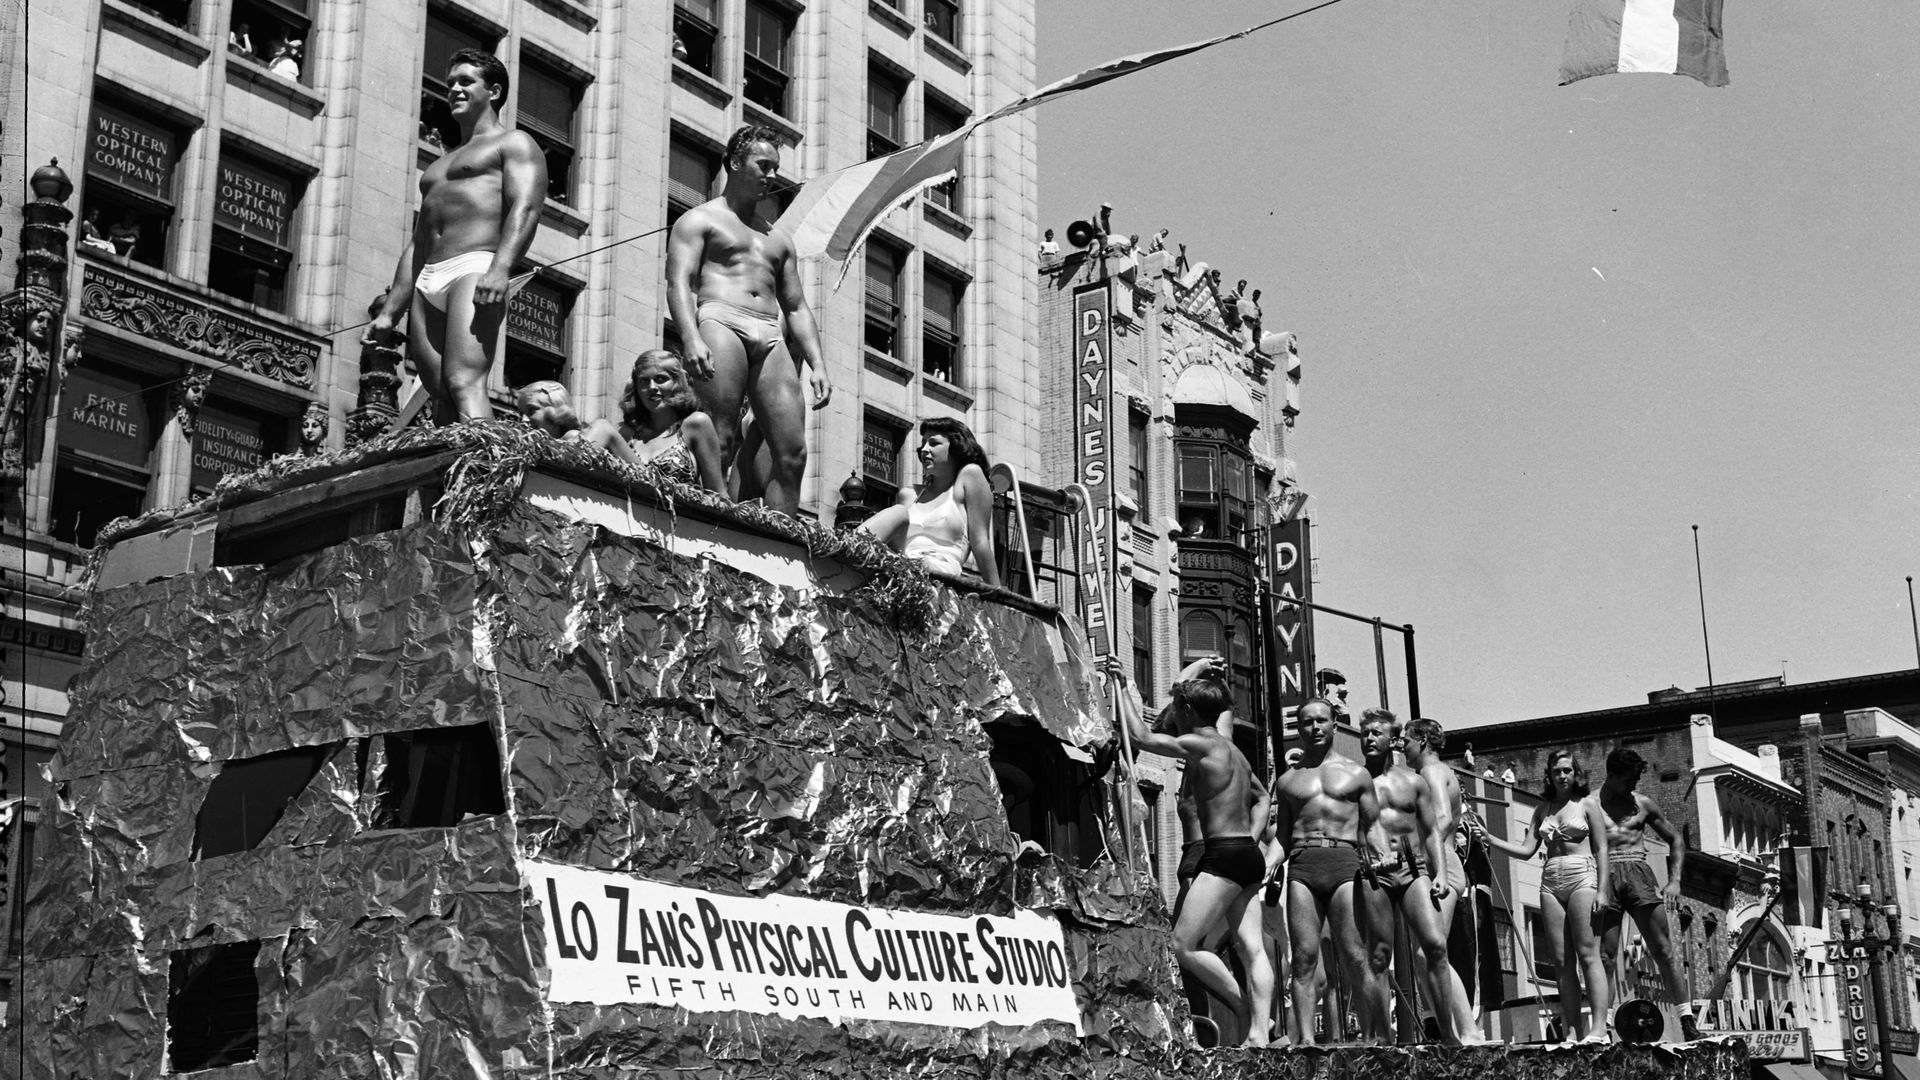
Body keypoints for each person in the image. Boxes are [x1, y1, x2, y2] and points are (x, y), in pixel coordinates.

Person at [365, 48, 546, 424]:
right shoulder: (438, 165)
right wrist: (389, 312)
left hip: (475, 266)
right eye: (450, 83)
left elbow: (525, 208)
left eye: (466, 81)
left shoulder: (514, 143)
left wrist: (500, 269)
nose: (455, 89)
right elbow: (418, 242)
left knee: (464, 382)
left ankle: (489, 478)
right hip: (429, 276)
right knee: (438, 392)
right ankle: (450, 482)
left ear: (493, 91)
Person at [1109, 655, 1279, 1047]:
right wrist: (1252, 839)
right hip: (1246, 855)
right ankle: (1258, 1034)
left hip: (1222, 855)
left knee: (1183, 944)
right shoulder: (1234, 753)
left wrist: (1120, 686)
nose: (1175, 716)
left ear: (1188, 711)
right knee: (1251, 947)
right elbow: (1261, 797)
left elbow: (1142, 739)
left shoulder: (1199, 743)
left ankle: (1246, 1011)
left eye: (1178, 709)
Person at [664, 124, 830, 516]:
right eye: (764, 165)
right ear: (736, 162)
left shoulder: (778, 239)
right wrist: (690, 338)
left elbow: (796, 306)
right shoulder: (699, 220)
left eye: (775, 167)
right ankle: (710, 526)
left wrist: (818, 362)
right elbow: (679, 283)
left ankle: (779, 549)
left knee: (792, 452)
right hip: (721, 321)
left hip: (770, 333)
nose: (772, 176)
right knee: (719, 438)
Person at [1358, 711, 1479, 1045]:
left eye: (1376, 732)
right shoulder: (1354, 780)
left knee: (1435, 946)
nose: (1369, 738)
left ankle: (1451, 1034)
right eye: (1364, 733)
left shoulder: (1416, 780)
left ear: (1392, 739)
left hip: (1415, 870)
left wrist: (1440, 871)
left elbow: (1430, 832)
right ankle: (1383, 1039)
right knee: (1379, 955)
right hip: (1375, 875)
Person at [1474, 751, 1611, 1042]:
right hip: (1550, 879)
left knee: (1588, 955)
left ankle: (1599, 1029)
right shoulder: (1542, 808)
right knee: (1562, 960)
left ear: (1576, 774)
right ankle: (1573, 1029)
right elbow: (1526, 849)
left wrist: (1602, 890)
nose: (1562, 776)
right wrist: (1490, 839)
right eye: (1557, 771)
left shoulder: (1587, 805)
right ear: (1549, 775)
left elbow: (1601, 849)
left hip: (1582, 875)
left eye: (1567, 770)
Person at [1275, 697, 1387, 1044]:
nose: (1315, 728)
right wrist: (1265, 864)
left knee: (1355, 955)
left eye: (1322, 721)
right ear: (1299, 729)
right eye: (1307, 722)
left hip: (1344, 863)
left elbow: (1372, 827)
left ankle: (1372, 1040)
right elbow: (1281, 837)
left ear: (1334, 725)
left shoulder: (1357, 773)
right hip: (1303, 865)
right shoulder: (1289, 780)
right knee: (1304, 958)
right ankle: (1306, 1042)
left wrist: (1381, 855)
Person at [1596, 746, 1698, 1039]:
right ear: (1611, 775)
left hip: (1637, 871)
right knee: (1606, 955)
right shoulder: (1590, 803)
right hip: (1606, 875)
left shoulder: (1642, 804)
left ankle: (1687, 1020)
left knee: (1663, 949)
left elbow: (1676, 839)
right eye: (1628, 780)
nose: (1633, 786)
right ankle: (1603, 1025)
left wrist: (1675, 881)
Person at [1401, 718, 1484, 1041]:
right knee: (1425, 955)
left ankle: (1467, 1031)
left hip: (1441, 866)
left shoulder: (1432, 772)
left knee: (1429, 953)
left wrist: (1417, 849)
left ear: (1422, 740)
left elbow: (1443, 818)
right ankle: (1454, 1029)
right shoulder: (1436, 772)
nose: (1402, 747)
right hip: (1438, 864)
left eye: (1407, 740)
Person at [860, 418, 1001, 587]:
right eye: (923, 444)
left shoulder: (970, 476)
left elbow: (980, 542)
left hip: (939, 568)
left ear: (956, 447)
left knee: (914, 563)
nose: (924, 449)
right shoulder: (910, 495)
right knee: (897, 512)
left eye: (933, 443)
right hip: (903, 564)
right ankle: (844, 548)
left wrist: (998, 593)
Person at [616, 349, 725, 492]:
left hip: (678, 511)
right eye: (644, 381)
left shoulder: (695, 424)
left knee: (603, 429)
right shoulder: (628, 434)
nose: (652, 387)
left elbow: (718, 494)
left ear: (677, 382)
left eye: (660, 379)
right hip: (632, 509)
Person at [514, 380, 639, 466]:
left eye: (532, 410)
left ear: (555, 408)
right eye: (522, 414)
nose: (524, 420)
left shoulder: (574, 438)